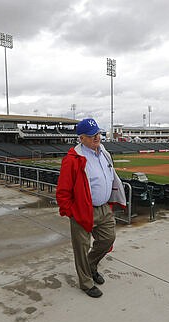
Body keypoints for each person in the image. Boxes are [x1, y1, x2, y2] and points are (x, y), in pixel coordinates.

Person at [56, 118, 126, 298]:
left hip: (103, 207)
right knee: (81, 247)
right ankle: (86, 283)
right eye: (91, 135)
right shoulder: (72, 159)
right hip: (82, 210)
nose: (97, 137)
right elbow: (62, 191)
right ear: (81, 138)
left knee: (108, 239)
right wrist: (71, 211)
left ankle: (91, 265)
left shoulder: (103, 152)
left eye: (98, 133)